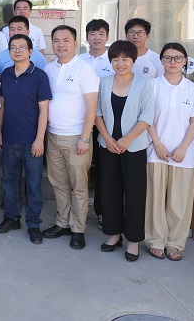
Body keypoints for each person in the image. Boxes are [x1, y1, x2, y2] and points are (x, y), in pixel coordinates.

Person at [145, 43, 194, 261]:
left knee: (179, 202)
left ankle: (175, 243)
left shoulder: (193, 89)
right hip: (156, 151)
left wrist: (183, 147)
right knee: (155, 200)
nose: (173, 62)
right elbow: (146, 118)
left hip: (184, 155)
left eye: (178, 58)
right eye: (168, 58)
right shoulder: (152, 85)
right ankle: (156, 240)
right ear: (161, 61)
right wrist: (158, 145)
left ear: (185, 61)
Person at [94, 40, 154, 262]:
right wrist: (108, 138)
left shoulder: (144, 84)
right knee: (109, 191)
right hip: (108, 145)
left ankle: (134, 240)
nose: (120, 63)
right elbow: (97, 113)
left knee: (135, 194)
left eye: (125, 59)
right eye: (116, 59)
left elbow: (147, 116)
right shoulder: (103, 82)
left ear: (133, 60)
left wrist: (126, 140)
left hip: (134, 146)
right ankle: (114, 234)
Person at [42, 25, 99, 250]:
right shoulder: (49, 69)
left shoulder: (85, 69)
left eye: (66, 40)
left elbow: (92, 107)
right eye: (56, 40)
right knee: (58, 183)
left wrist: (85, 137)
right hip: (53, 135)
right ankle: (62, 223)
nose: (61, 44)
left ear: (75, 43)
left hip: (76, 137)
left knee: (79, 186)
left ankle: (78, 229)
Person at [0, 34, 51, 244]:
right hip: (9, 138)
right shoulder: (6, 75)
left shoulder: (40, 76)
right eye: (13, 47)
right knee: (9, 182)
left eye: (22, 47)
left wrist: (39, 139)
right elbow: (2, 106)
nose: (17, 51)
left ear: (30, 51)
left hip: (31, 141)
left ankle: (34, 224)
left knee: (34, 185)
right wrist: (0, 131)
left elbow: (44, 110)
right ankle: (12, 218)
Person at [79, 18, 114, 231]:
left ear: (107, 36)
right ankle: (78, 211)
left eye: (101, 33)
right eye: (93, 33)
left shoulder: (114, 61)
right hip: (82, 121)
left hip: (105, 121)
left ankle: (102, 211)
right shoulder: (79, 60)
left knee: (103, 169)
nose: (97, 38)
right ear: (86, 37)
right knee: (80, 167)